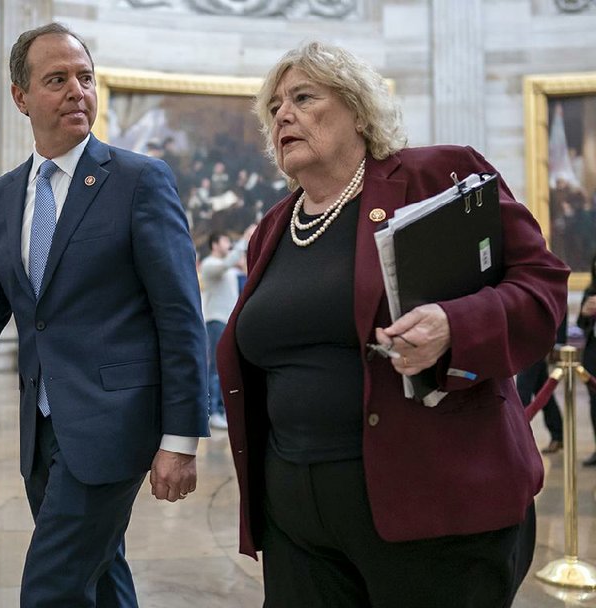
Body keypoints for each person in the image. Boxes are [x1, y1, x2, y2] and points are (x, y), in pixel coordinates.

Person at [216, 42, 569, 607]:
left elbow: (542, 289)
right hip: (297, 529)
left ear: (358, 110)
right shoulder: (273, 230)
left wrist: (456, 325)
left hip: (434, 518)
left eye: (304, 97)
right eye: (275, 106)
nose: (283, 114)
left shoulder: (440, 175)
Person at [0, 23, 209, 608]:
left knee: (50, 590)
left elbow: (180, 316)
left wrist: (181, 437)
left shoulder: (139, 181)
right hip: (41, 434)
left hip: (115, 424)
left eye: (85, 78)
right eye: (57, 79)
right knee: (103, 576)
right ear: (21, 97)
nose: (77, 91)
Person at [201, 227, 255, 429]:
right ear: (215, 245)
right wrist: (243, 240)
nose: (229, 245)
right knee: (215, 368)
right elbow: (225, 265)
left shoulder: (230, 269)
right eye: (225, 241)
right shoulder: (209, 264)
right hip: (216, 321)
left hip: (228, 322)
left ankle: (221, 411)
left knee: (225, 367)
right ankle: (211, 412)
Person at [516, 320, 566, 454]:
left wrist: (558, 343)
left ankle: (518, 440)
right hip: (524, 342)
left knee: (522, 393)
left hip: (535, 342)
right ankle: (558, 434)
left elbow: (559, 307)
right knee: (543, 390)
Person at [577, 253, 596, 466]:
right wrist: (584, 311)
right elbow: (580, 324)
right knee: (594, 403)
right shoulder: (590, 291)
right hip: (593, 352)